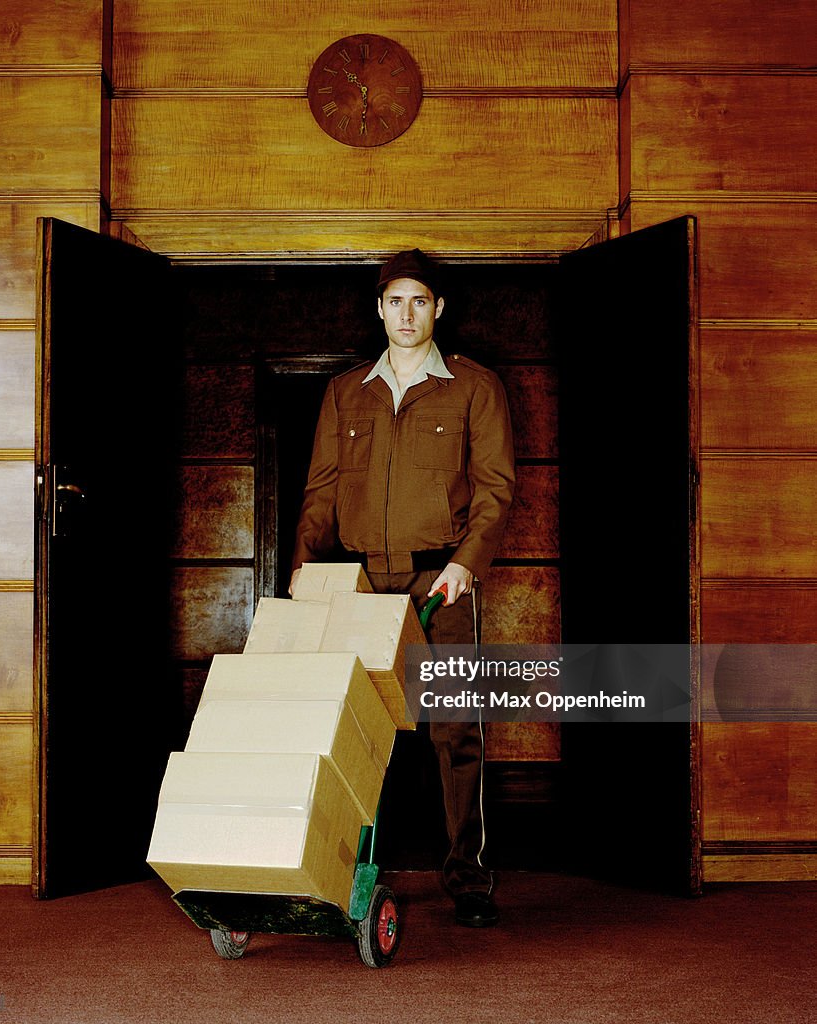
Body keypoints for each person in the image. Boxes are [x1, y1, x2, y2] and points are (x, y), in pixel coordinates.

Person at [290, 248, 515, 927]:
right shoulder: (344, 392)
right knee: (354, 729)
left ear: (438, 309)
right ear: (379, 308)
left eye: (420, 300)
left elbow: (496, 490)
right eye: (396, 301)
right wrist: (304, 563)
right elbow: (322, 492)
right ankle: (351, 868)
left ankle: (469, 878)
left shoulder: (476, 387)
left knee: (455, 730)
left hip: (440, 581)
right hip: (360, 585)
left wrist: (466, 564)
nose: (408, 313)